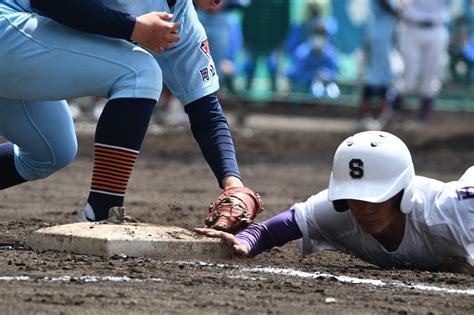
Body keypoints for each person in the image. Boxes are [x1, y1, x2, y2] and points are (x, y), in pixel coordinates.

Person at [1, 0, 260, 232]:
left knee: (52, 152)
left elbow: (205, 110)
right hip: (8, 22)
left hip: (19, 51)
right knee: (140, 72)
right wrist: (133, 28)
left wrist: (232, 181)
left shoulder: (184, 23)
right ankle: (102, 213)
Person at [196, 131, 474, 272]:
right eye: (354, 197)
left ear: (401, 192)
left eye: (375, 198)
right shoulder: (336, 213)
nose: (364, 209)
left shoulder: (450, 210)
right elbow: (266, 231)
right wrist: (244, 241)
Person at [388, 0, 450, 125]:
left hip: (436, 28)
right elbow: (400, 4)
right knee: (409, 77)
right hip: (411, 28)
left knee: (430, 76)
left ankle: (423, 119)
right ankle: (391, 113)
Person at [357, 0, 399, 131]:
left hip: (385, 26)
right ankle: (368, 115)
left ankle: (381, 114)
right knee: (378, 73)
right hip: (381, 26)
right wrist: (398, 12)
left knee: (382, 72)